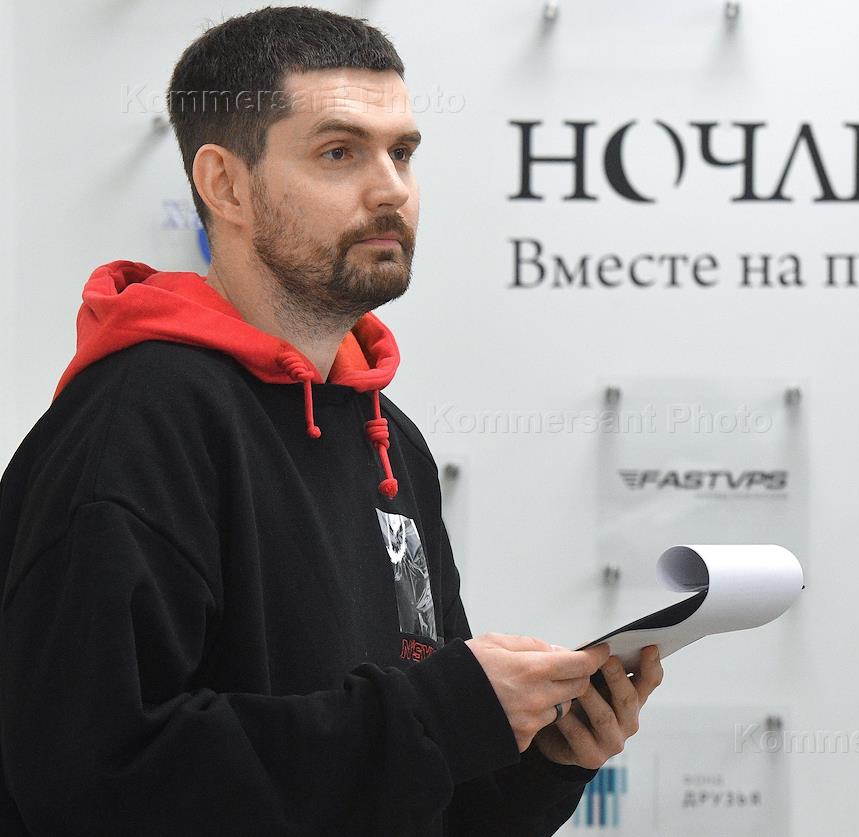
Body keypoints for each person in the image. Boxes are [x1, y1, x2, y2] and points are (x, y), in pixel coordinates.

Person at [0, 6, 663, 835]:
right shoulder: (139, 421)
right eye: (339, 152)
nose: (390, 188)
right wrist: (436, 715)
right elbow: (91, 780)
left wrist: (535, 764)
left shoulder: (390, 440)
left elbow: (409, 794)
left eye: (402, 152)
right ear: (225, 185)